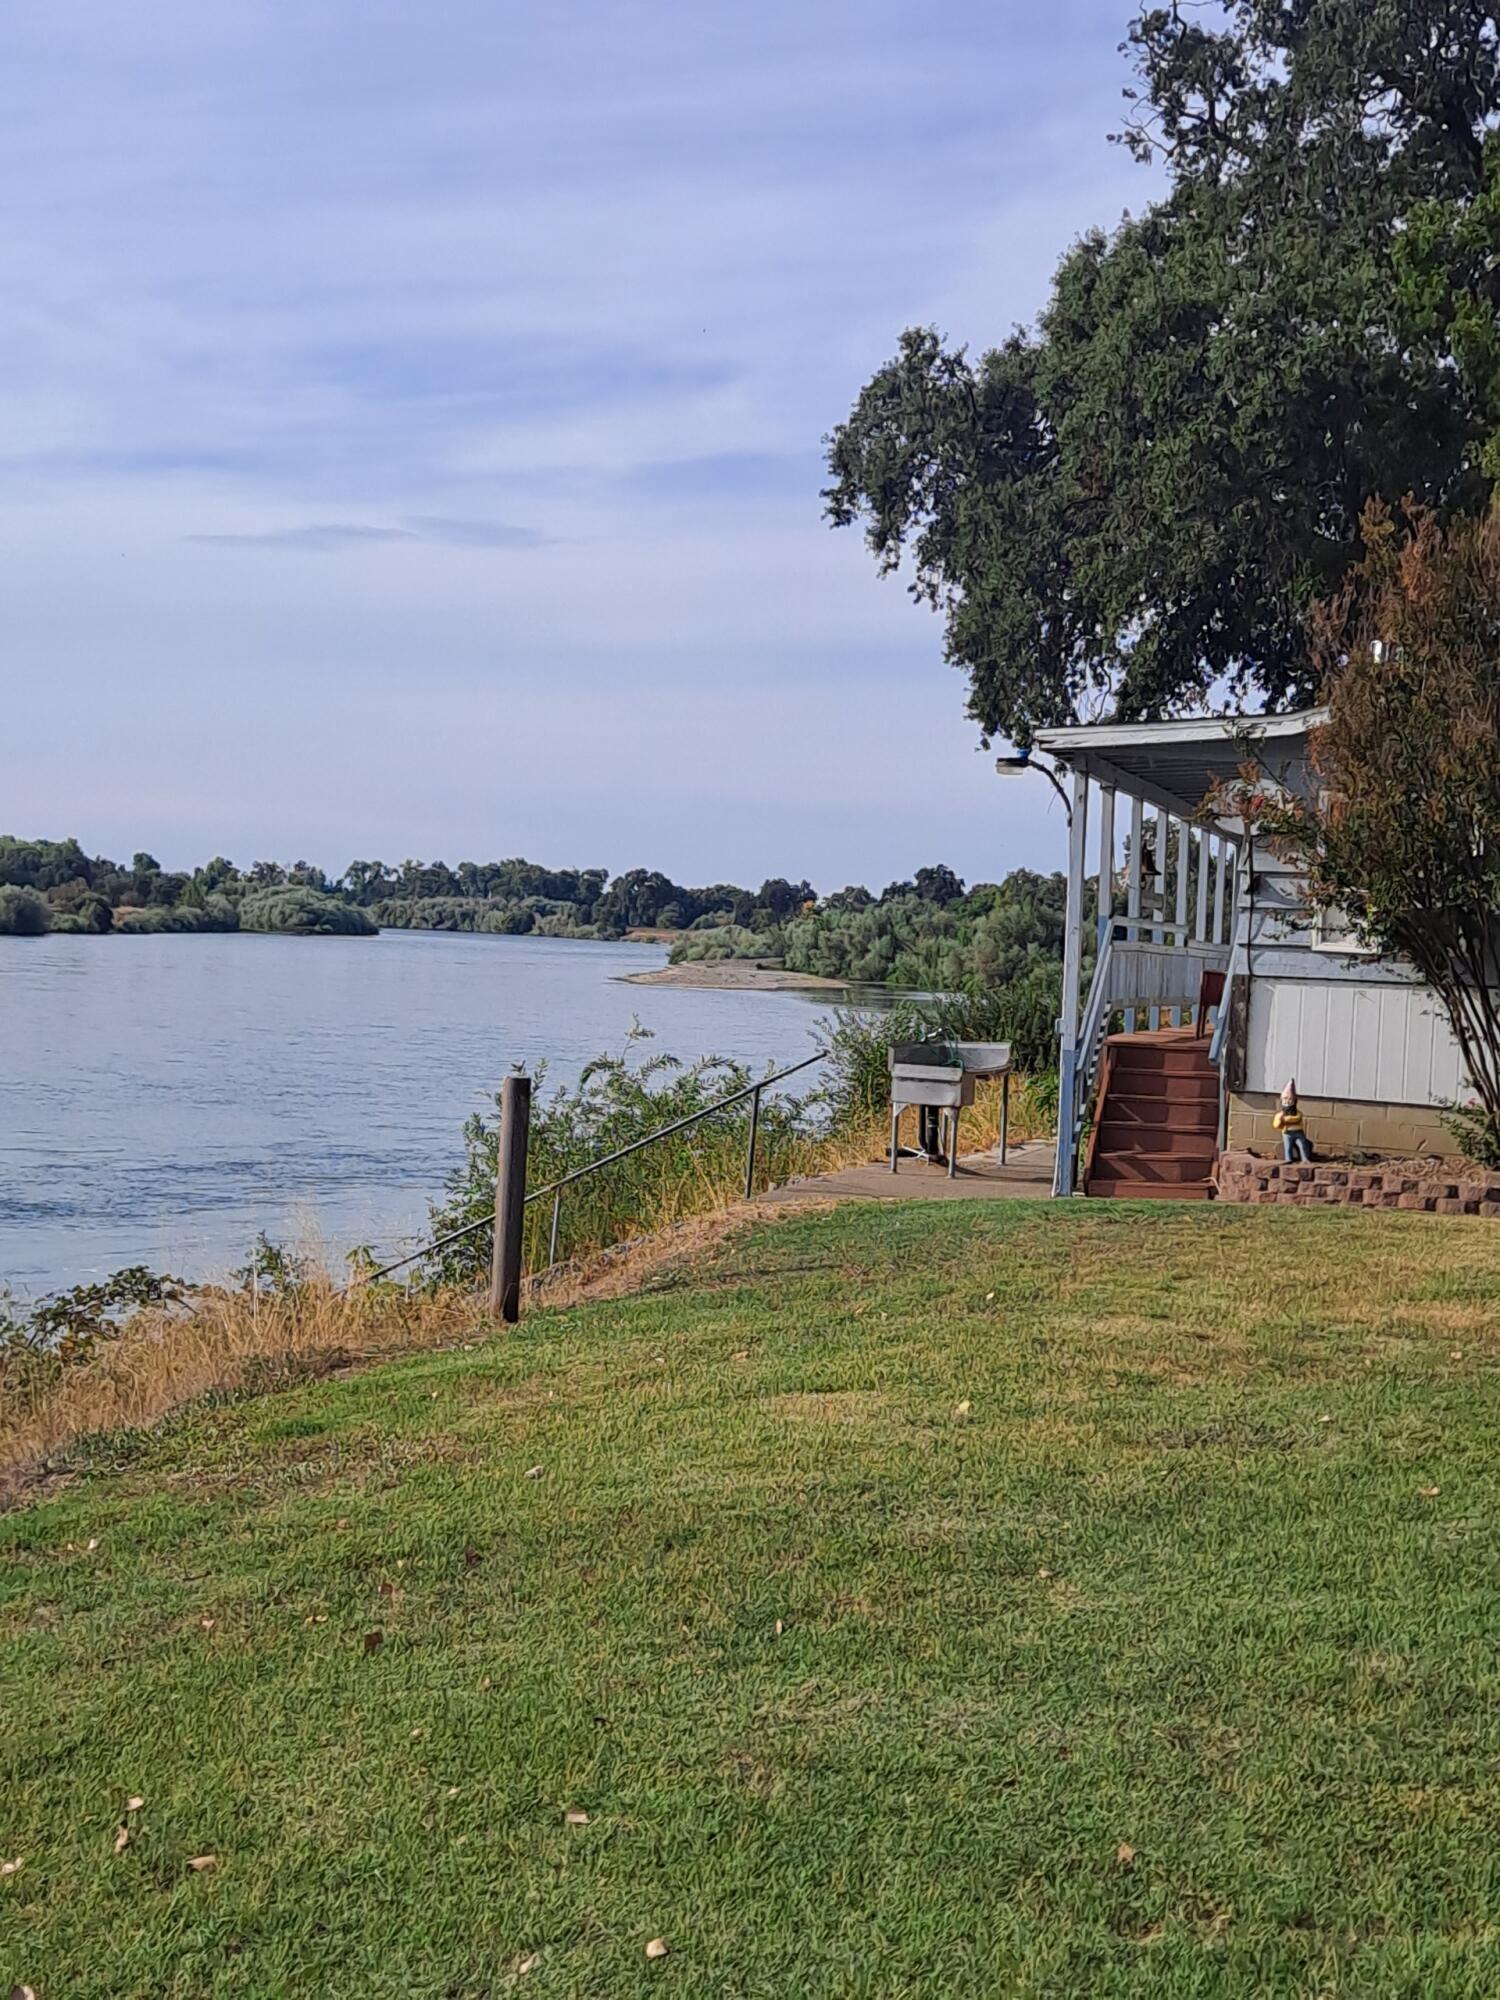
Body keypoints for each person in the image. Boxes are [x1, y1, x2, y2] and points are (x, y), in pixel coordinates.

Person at [1272, 1078, 1313, 1163]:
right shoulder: (1280, 1115)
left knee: (1302, 1144)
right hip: (1287, 1133)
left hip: (1298, 1132)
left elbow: (1297, 1118)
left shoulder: (1297, 1113)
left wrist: (1285, 1119)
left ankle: (1304, 1159)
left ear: (1294, 1101)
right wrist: (1280, 1120)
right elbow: (1276, 1125)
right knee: (1288, 1146)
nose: (1287, 1101)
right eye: (1285, 1099)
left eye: (1290, 1099)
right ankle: (1288, 1159)